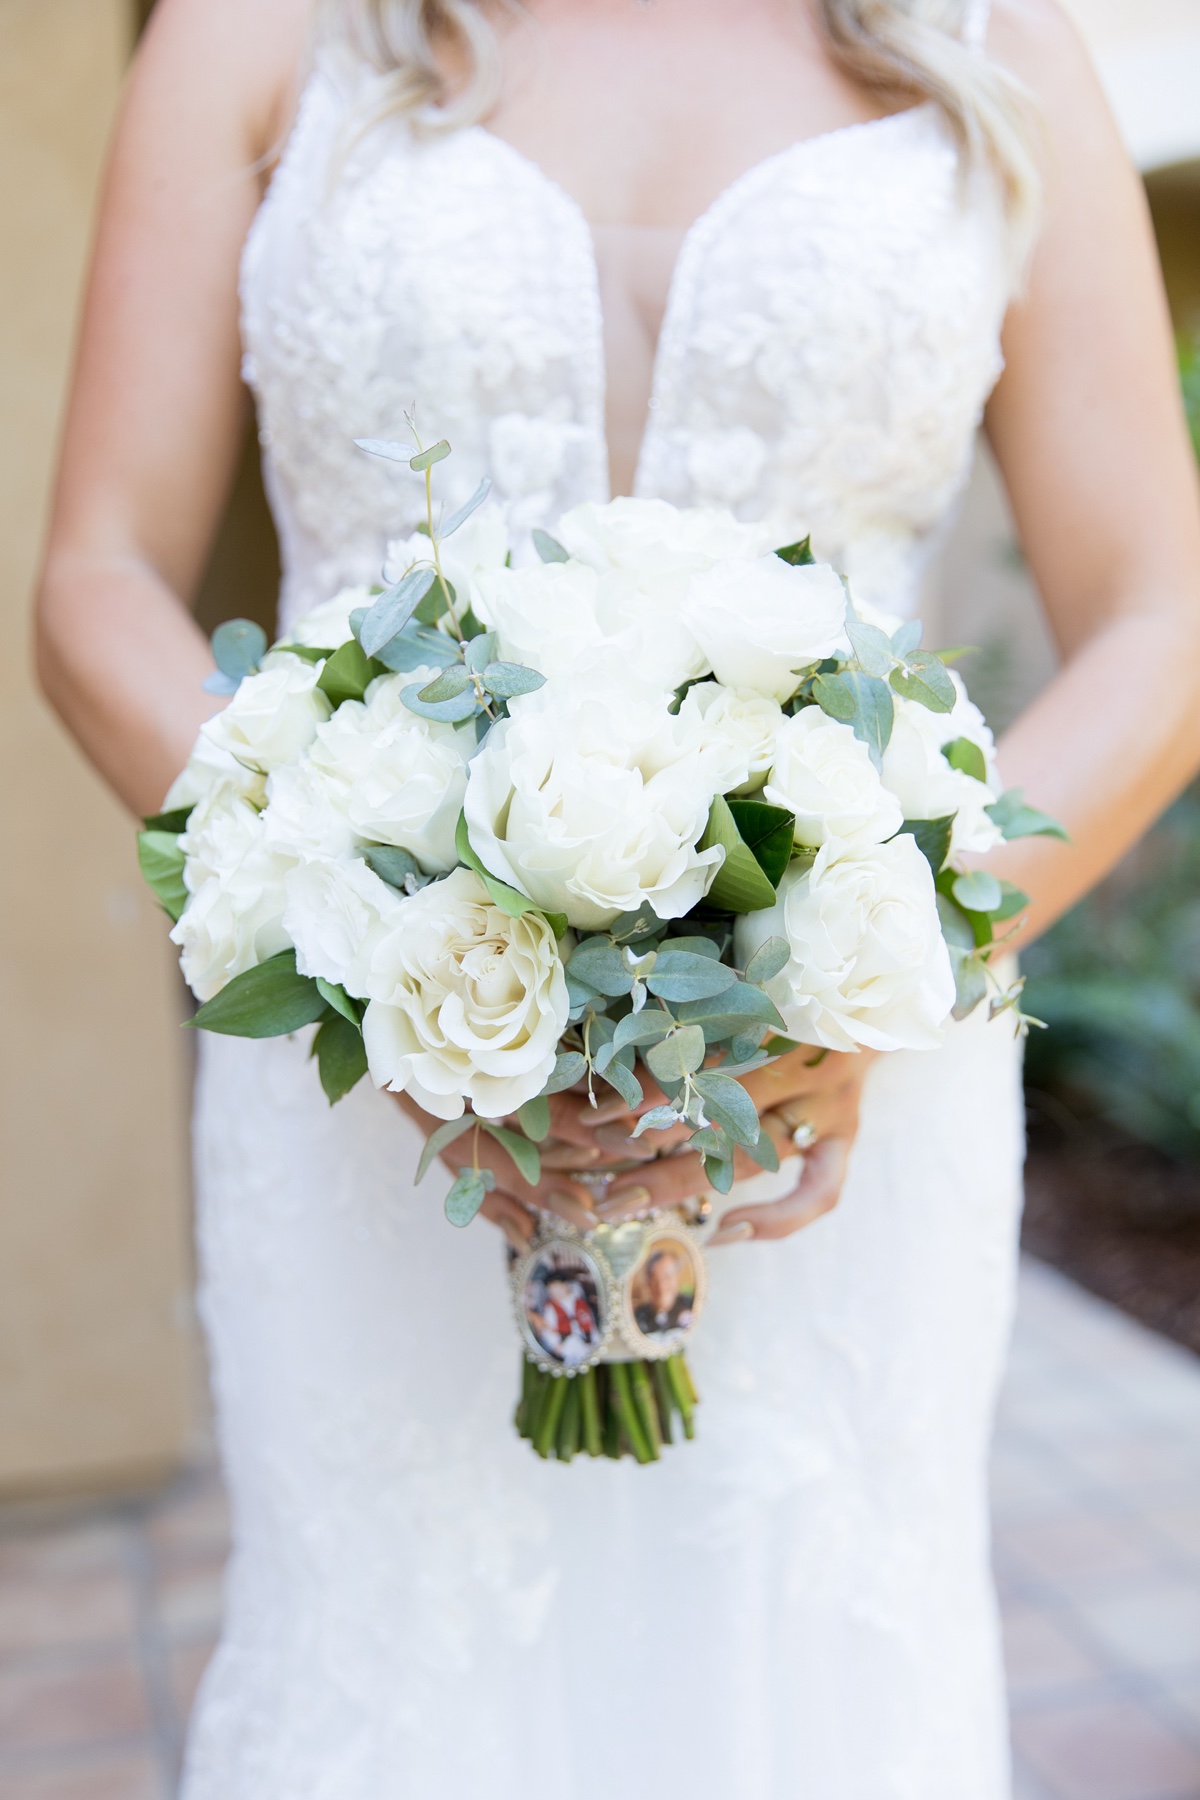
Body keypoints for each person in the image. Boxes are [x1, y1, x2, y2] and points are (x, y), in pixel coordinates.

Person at [35, 0, 1200, 1794]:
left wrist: (907, 940)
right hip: (380, 1092)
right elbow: (99, 570)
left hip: (849, 1096)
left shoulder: (991, 36)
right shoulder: (259, 26)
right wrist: (349, 930)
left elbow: (1161, 619)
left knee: (814, 1682)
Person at [633, 1249, 693, 1338]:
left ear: (677, 1277)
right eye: (655, 1279)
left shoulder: (691, 1305)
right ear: (648, 1283)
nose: (661, 1286)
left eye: (667, 1277)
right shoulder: (640, 1315)